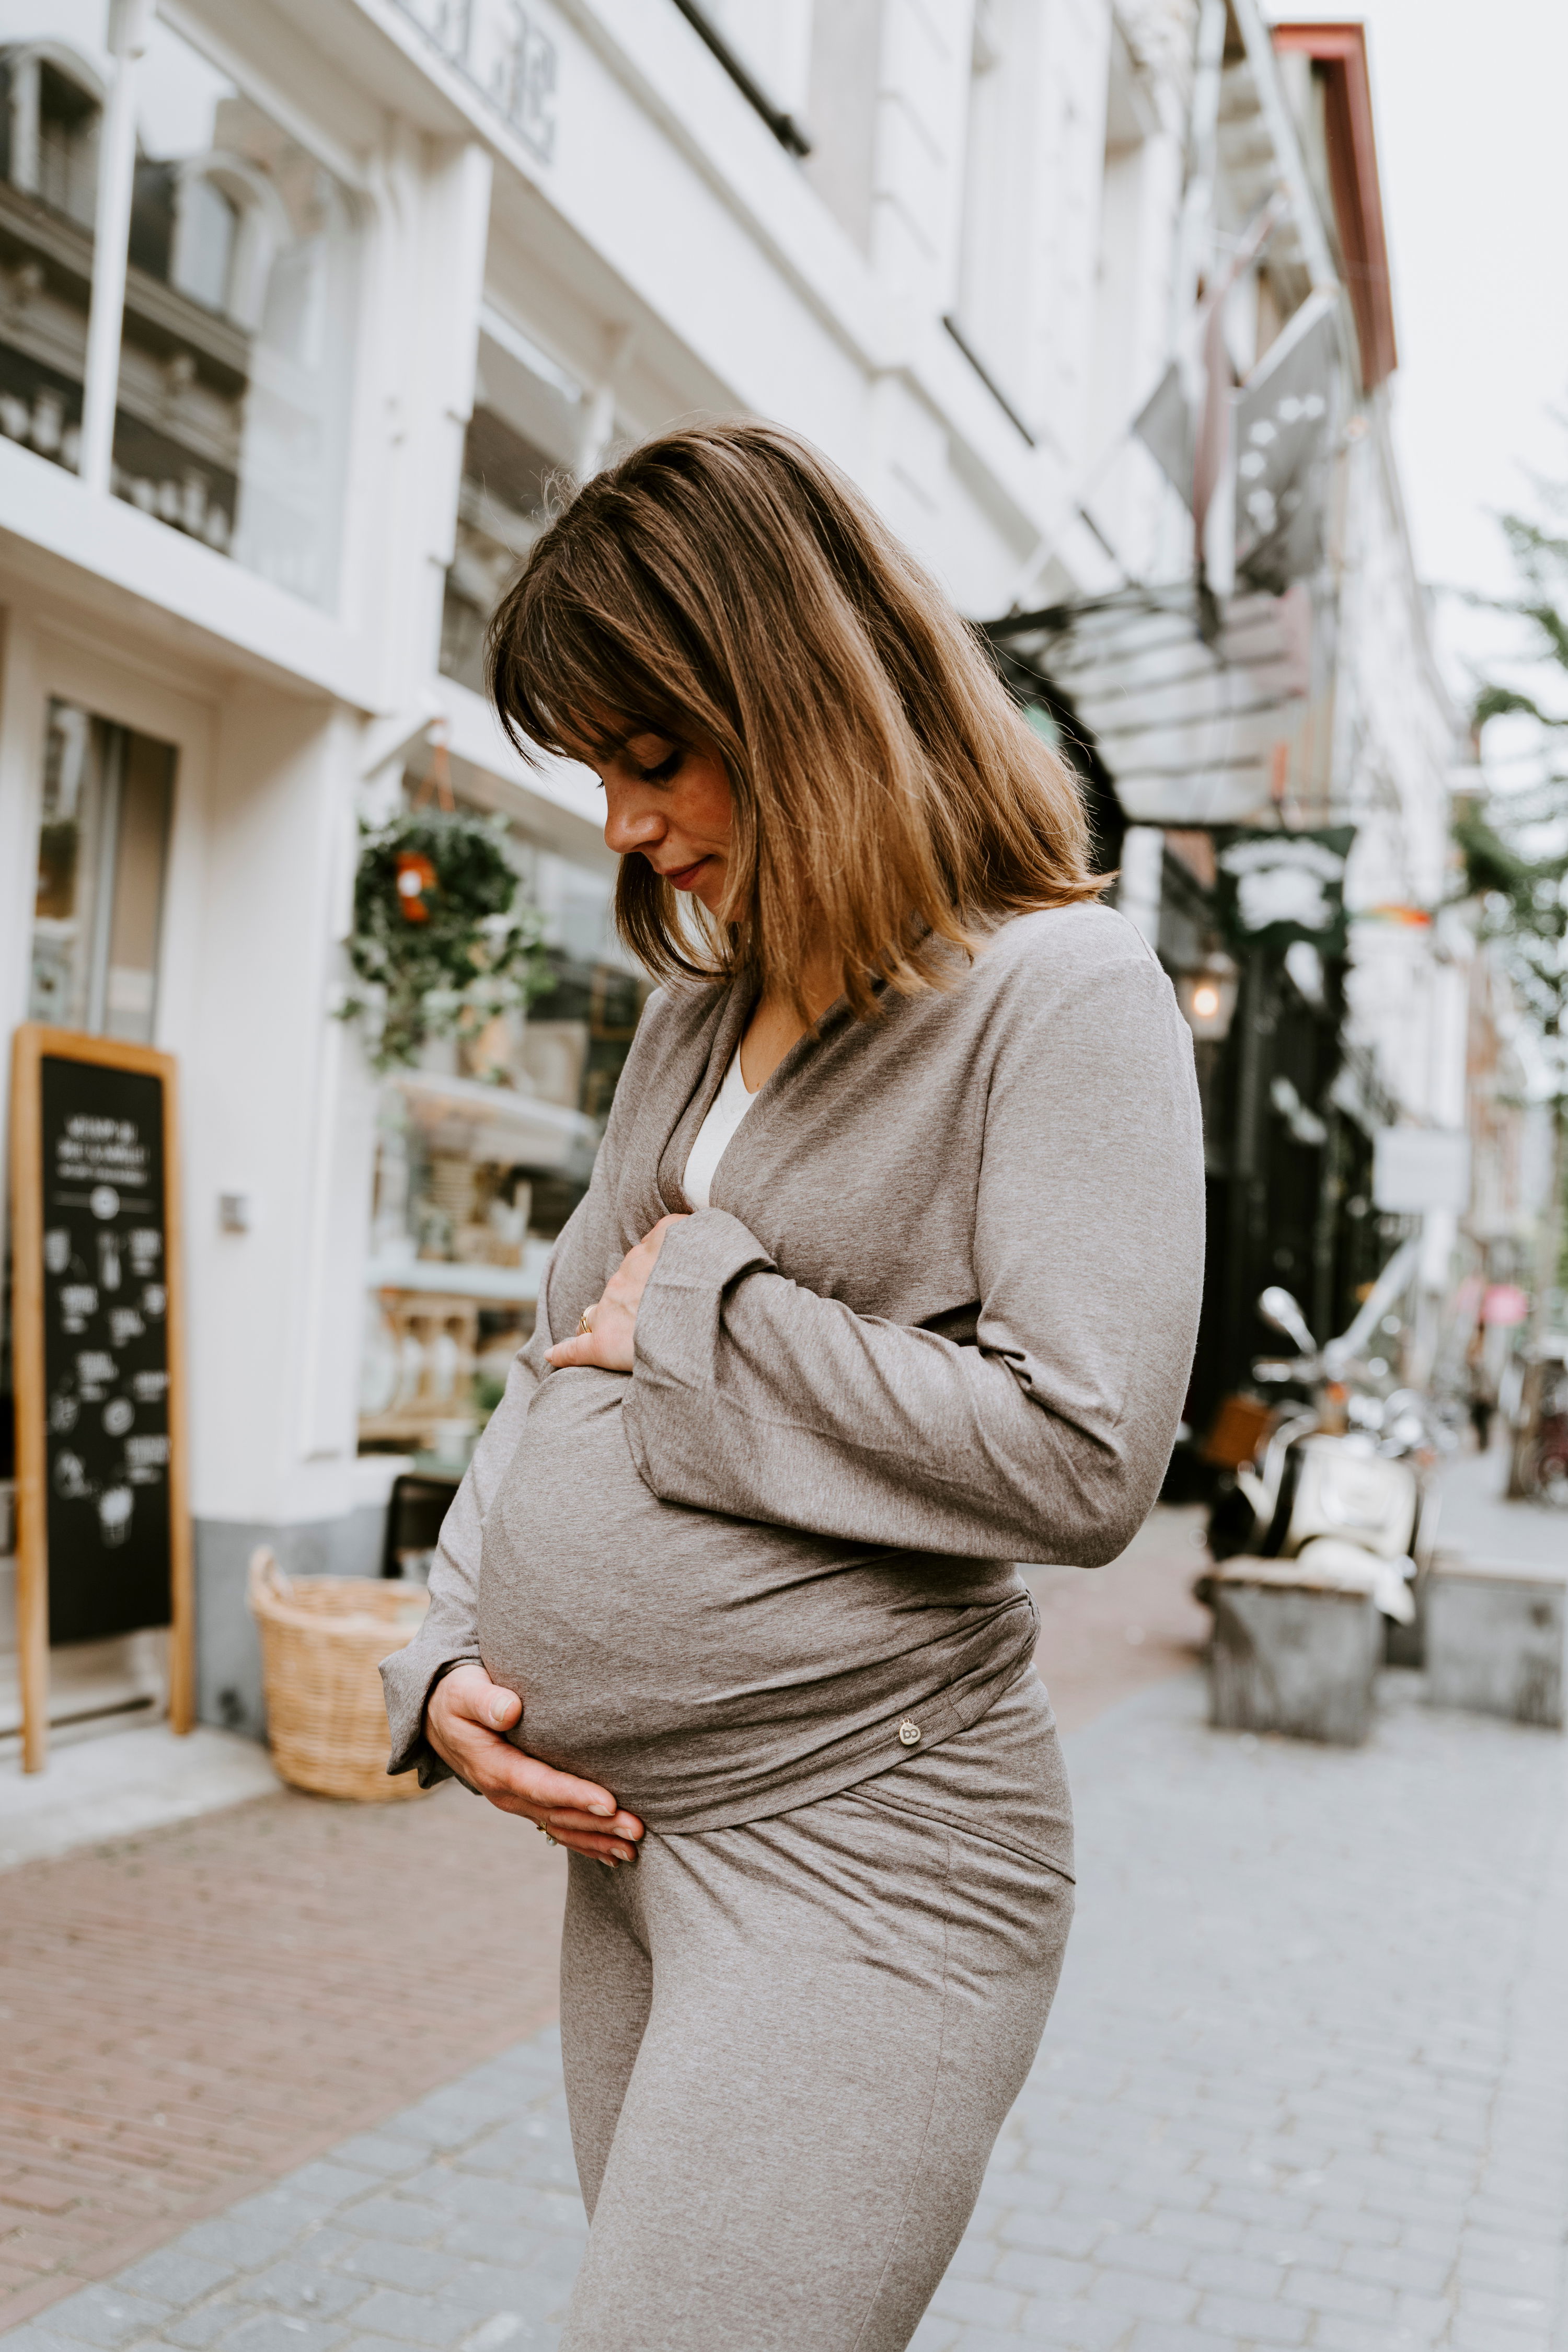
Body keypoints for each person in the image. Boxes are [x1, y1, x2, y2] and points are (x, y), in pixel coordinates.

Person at [381, 421, 1204, 2351]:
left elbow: (1087, 1453)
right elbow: (546, 1366)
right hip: (630, 1857)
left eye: (650, 756)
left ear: (805, 695)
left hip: (872, 1845)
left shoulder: (1063, 997)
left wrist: (714, 1310)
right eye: (594, 771)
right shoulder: (696, 1012)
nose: (620, 823)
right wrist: (442, 1666)